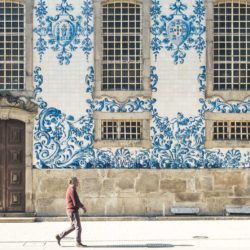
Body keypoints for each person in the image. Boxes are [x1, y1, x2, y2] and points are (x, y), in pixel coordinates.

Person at [55, 177, 87, 247]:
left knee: (73, 226)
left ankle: (59, 236)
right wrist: (83, 207)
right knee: (78, 227)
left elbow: (76, 201)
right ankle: (78, 243)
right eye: (77, 181)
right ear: (73, 182)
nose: (78, 182)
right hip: (73, 211)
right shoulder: (72, 189)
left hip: (70, 210)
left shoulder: (70, 188)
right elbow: (76, 203)